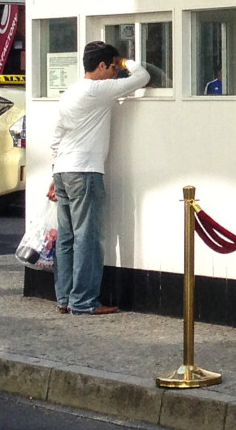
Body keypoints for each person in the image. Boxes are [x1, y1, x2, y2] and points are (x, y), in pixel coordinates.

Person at [46, 41, 150, 315]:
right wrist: (127, 62)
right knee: (88, 238)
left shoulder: (70, 92)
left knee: (67, 238)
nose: (115, 72)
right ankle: (84, 301)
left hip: (63, 171)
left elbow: (57, 136)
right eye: (112, 67)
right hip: (85, 171)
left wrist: (53, 174)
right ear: (102, 65)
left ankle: (64, 298)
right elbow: (142, 77)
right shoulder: (97, 89)